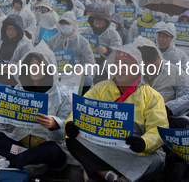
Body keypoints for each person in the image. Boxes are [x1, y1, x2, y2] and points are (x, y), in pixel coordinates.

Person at [65, 45, 168, 182]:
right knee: (72, 139)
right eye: (117, 62)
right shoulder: (99, 88)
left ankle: (97, 171)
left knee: (154, 161)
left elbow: (159, 129)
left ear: (138, 67)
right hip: (104, 147)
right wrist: (71, 123)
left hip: (134, 151)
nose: (121, 67)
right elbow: (80, 111)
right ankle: (109, 175)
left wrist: (144, 143)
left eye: (126, 63)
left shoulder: (152, 96)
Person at [0, 42, 75, 176]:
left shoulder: (62, 94)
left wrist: (55, 124)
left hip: (48, 144)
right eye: (32, 66)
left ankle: (12, 163)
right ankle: (31, 159)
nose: (34, 70)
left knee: (52, 150)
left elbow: (69, 128)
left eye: (39, 67)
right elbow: (8, 121)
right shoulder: (21, 88)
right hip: (22, 145)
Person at [135, 36, 189, 128]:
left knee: (182, 125)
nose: (149, 70)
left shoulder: (174, 71)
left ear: (159, 58)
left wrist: (168, 108)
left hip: (169, 117)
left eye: (152, 66)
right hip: (139, 117)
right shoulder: (131, 72)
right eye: (145, 66)